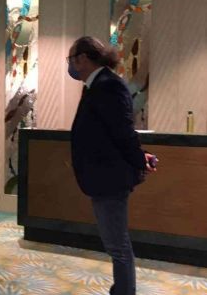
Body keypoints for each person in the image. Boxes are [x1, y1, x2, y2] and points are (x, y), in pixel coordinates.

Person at [68, 36, 157, 295]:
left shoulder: (108, 86)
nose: (70, 66)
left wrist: (140, 159)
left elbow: (123, 133)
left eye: (71, 59)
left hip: (109, 179)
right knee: (115, 244)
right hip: (102, 177)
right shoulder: (96, 85)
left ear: (83, 58)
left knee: (118, 246)